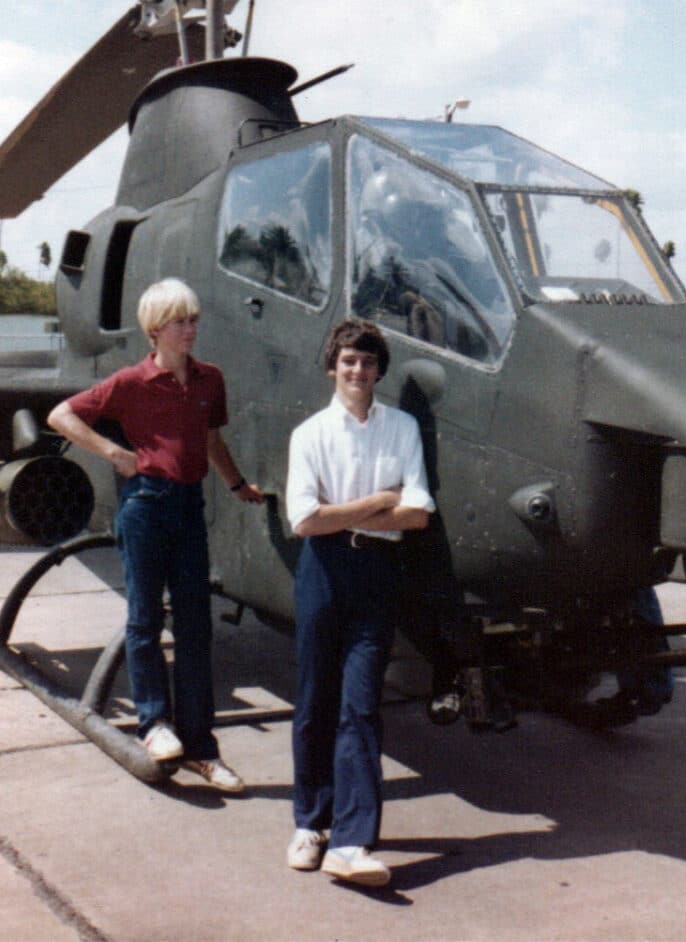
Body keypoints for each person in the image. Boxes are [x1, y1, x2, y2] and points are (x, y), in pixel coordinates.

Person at [47, 278, 264, 793]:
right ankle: (154, 725)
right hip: (145, 505)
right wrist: (113, 453)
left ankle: (202, 749)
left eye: (193, 320)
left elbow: (211, 437)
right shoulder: (131, 382)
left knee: (195, 626)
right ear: (155, 330)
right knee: (144, 619)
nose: (190, 330)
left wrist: (235, 483)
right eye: (179, 322)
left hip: (190, 506)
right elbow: (62, 415)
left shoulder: (210, 379)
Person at [283, 318, 435, 887]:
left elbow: (417, 512)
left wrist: (341, 511)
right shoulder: (310, 434)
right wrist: (377, 500)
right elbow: (304, 520)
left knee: (361, 706)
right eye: (349, 361)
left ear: (379, 370)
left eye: (368, 362)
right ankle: (310, 824)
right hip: (322, 572)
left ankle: (352, 842)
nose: (358, 370)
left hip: (377, 571)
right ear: (332, 366)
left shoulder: (402, 429)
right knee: (315, 701)